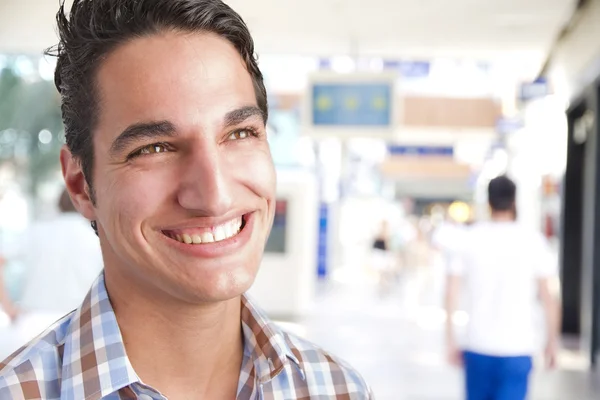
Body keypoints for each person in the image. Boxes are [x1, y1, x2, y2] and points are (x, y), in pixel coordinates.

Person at [0, 1, 372, 399]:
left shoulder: (333, 388)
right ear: (80, 185)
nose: (215, 196)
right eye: (154, 148)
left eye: (240, 133)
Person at [444, 176, 560, 400]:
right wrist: (552, 342)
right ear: (514, 201)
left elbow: (451, 293)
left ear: (488, 202)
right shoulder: (533, 241)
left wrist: (450, 340)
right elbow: (549, 297)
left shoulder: (469, 239)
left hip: (477, 345)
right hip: (518, 347)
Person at [0, 189, 103, 359]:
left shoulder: (36, 231)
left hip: (31, 324)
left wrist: (8, 307)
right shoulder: (97, 238)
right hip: (79, 324)